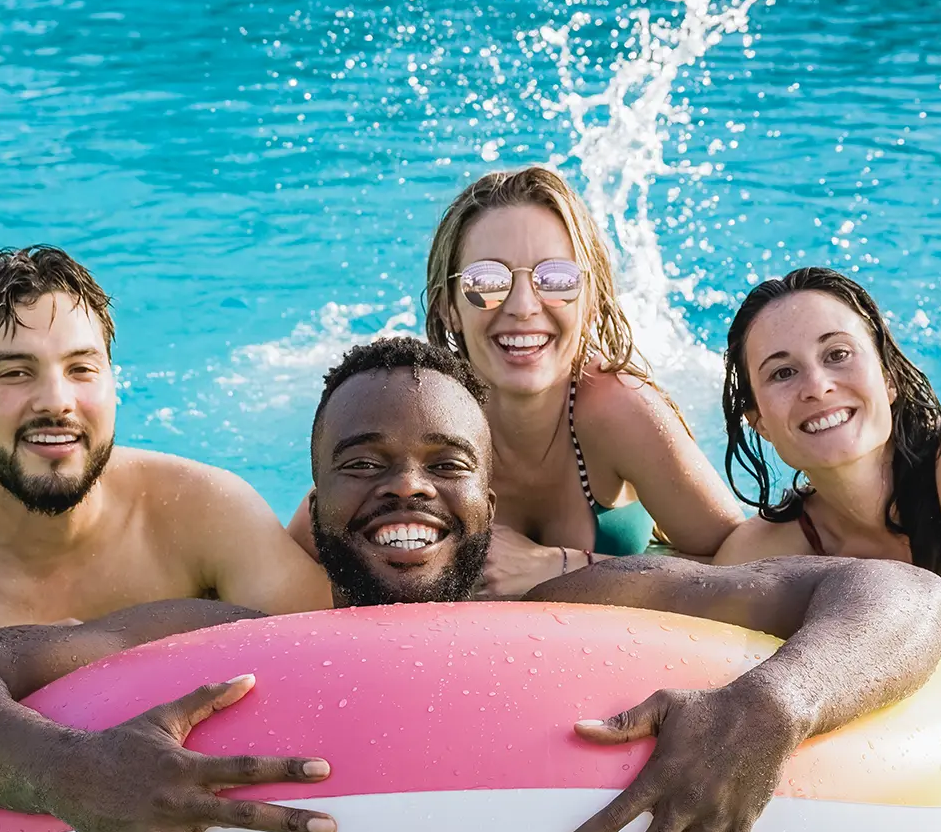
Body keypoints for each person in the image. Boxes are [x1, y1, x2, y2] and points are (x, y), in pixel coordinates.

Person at [0, 336, 941, 832]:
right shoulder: (228, 647)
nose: (407, 485)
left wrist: (768, 707)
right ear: (318, 499)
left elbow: (898, 596)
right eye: (363, 461)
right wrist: (70, 772)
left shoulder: (594, 612)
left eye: (444, 461)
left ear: (490, 492)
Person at [288, 167, 744, 594]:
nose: (523, 305)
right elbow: (303, 553)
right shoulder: (423, 410)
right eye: (486, 281)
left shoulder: (617, 409)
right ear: (449, 304)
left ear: (590, 298)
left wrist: (558, 567)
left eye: (556, 278)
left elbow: (744, 561)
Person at [0, 245, 331, 638]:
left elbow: (336, 654)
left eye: (81, 369)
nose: (57, 402)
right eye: (16, 373)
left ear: (113, 383)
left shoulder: (202, 515)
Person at [713, 266, 941, 669]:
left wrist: (813, 588)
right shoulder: (759, 552)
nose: (818, 386)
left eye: (838, 354)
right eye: (783, 372)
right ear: (760, 422)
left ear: (888, 378)